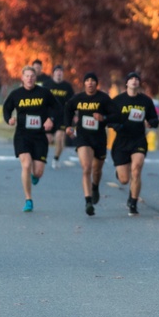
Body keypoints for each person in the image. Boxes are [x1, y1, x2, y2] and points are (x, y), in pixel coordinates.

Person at [3, 66, 59, 212]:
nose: (29, 78)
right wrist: (8, 119)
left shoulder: (44, 93)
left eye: (32, 76)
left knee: (38, 172)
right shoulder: (16, 94)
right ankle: (28, 199)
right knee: (26, 164)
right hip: (22, 135)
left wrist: (50, 119)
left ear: (35, 78)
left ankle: (35, 176)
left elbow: (56, 108)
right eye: (27, 76)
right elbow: (6, 108)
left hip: (40, 137)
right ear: (22, 78)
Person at [64, 72, 117, 216]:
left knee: (97, 170)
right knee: (86, 167)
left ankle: (95, 187)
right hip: (83, 137)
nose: (90, 83)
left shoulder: (103, 98)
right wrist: (68, 126)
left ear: (96, 83)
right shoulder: (79, 98)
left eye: (93, 80)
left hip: (99, 138)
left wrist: (103, 117)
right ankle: (88, 201)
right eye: (87, 80)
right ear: (84, 83)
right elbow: (68, 108)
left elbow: (116, 114)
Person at [110, 71, 159, 216]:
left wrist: (153, 122)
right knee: (125, 180)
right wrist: (115, 125)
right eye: (131, 78)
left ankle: (133, 201)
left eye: (136, 79)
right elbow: (109, 118)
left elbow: (153, 118)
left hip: (138, 140)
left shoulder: (145, 101)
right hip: (121, 142)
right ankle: (120, 174)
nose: (134, 81)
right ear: (126, 83)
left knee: (136, 169)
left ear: (139, 83)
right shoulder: (118, 100)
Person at [44, 64, 74, 167]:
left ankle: (56, 158)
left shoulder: (67, 87)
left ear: (63, 74)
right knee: (47, 139)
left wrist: (74, 114)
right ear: (53, 73)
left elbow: (72, 102)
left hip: (62, 116)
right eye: (57, 71)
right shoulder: (47, 84)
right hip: (48, 116)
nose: (59, 73)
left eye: (61, 71)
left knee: (60, 138)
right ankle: (42, 157)